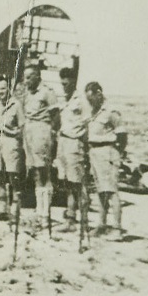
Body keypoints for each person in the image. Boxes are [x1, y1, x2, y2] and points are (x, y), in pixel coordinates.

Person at [85, 81, 126, 237]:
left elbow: (122, 135)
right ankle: (102, 225)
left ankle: (117, 228)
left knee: (112, 191)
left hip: (108, 152)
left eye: (92, 98)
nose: (90, 102)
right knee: (100, 191)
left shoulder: (111, 111)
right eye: (88, 100)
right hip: (95, 153)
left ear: (99, 94)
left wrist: (116, 154)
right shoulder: (93, 112)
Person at [21, 63, 59, 228]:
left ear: (37, 76)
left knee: (44, 173)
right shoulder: (28, 93)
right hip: (29, 133)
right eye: (25, 77)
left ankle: (45, 214)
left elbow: (56, 115)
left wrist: (50, 133)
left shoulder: (47, 92)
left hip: (42, 132)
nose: (26, 80)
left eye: (29, 77)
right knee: (36, 173)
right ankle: (39, 210)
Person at [0, 77, 25, 219]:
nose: (1, 92)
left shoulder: (16, 105)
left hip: (11, 143)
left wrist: (12, 132)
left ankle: (15, 211)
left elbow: (22, 127)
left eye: (3, 88)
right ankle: (2, 210)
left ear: (9, 89)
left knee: (13, 177)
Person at [57, 67, 88, 224]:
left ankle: (83, 219)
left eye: (66, 83)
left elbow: (88, 122)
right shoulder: (65, 100)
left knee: (77, 182)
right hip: (63, 143)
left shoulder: (81, 100)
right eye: (62, 83)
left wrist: (85, 144)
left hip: (75, 143)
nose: (64, 86)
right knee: (67, 181)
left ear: (73, 81)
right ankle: (70, 215)